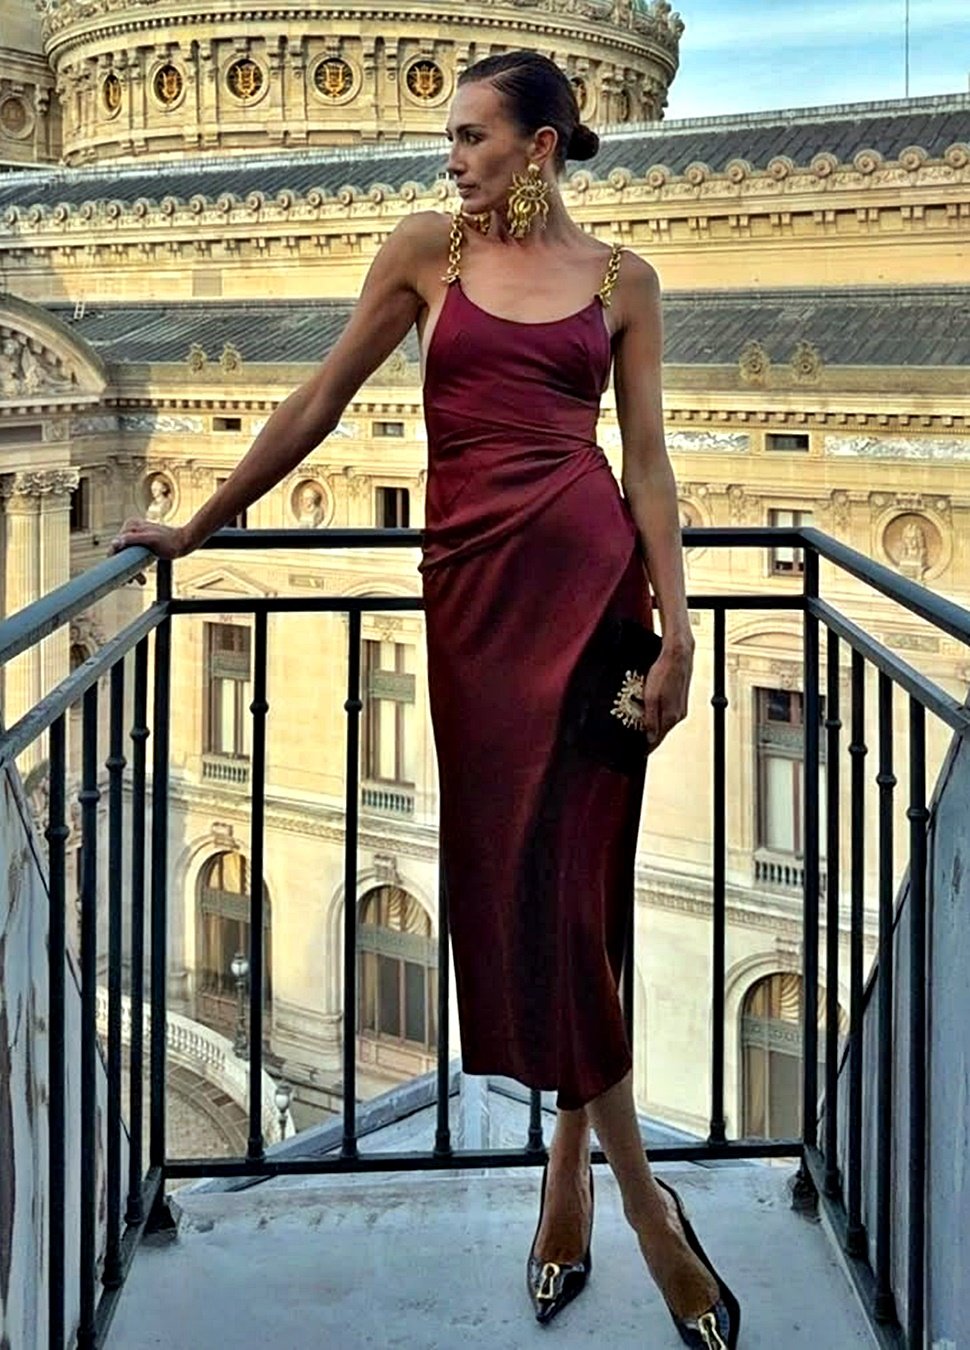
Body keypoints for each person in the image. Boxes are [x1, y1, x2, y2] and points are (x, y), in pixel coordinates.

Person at [110, 49, 739, 1350]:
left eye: (472, 137)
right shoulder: (423, 253)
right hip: (473, 612)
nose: (451, 158)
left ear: (541, 146)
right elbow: (320, 399)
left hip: (597, 605)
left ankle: (618, 1199)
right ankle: (590, 1181)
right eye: (449, 137)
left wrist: (678, 632)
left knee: (581, 890)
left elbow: (647, 465)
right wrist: (200, 524)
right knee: (526, 887)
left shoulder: (623, 281)